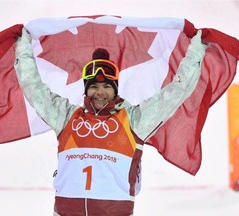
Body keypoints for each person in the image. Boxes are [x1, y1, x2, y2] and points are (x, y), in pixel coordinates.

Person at [14, 28, 206, 215]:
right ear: (86, 89)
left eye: (107, 86)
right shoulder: (65, 117)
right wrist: (23, 51)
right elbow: (34, 88)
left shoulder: (134, 120)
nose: (100, 92)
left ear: (115, 90)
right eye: (94, 86)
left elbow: (174, 94)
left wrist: (194, 54)